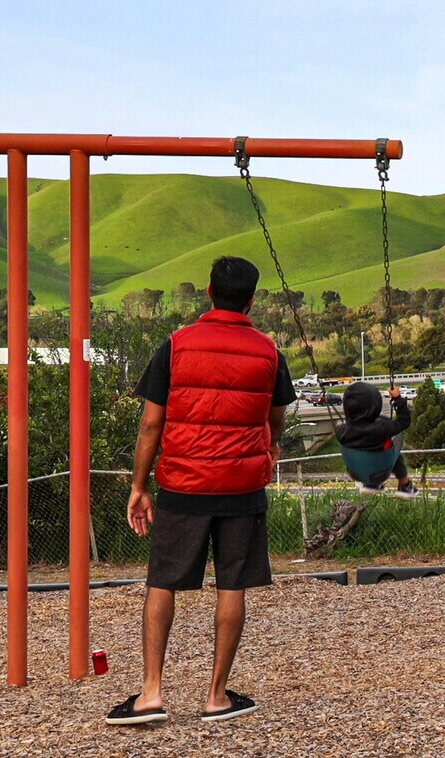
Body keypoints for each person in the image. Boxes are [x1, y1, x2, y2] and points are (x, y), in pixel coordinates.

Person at [106, 255, 293, 727]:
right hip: (241, 487)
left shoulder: (176, 345)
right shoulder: (269, 352)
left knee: (162, 582)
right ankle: (215, 697)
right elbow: (276, 420)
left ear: (208, 292)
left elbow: (151, 424)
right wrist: (268, 451)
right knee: (233, 583)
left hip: (183, 485)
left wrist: (138, 485)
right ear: (251, 300)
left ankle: (151, 694)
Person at [335, 380, 418, 495]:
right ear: (376, 405)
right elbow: (404, 421)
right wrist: (397, 399)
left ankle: (371, 484)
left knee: (374, 447)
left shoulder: (341, 430)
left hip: (355, 472)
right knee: (394, 443)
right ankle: (405, 485)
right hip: (381, 471)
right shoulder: (383, 428)